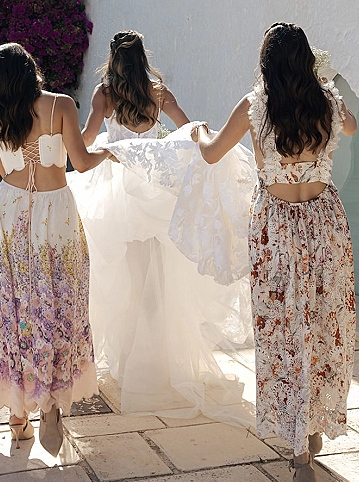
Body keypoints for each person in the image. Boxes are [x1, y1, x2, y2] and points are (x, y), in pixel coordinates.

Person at [192, 23, 357, 482]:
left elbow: (211, 153)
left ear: (266, 64)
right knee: (325, 325)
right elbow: (349, 127)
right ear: (308, 61)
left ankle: (300, 453)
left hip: (276, 229)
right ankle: (313, 423)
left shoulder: (254, 106)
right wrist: (323, 85)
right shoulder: (327, 103)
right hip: (325, 223)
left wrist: (199, 130)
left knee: (284, 332)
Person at [68, 31, 256, 422]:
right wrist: (157, 149)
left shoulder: (104, 95)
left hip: (117, 193)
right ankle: (157, 364)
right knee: (160, 280)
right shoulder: (159, 93)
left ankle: (128, 365)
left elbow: (84, 145)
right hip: (154, 192)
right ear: (143, 59)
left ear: (113, 60)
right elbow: (188, 131)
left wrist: (105, 143)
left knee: (124, 280)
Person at [0, 42, 113, 453]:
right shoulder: (61, 106)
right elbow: (81, 162)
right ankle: (52, 402)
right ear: (31, 69)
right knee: (60, 303)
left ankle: (19, 420)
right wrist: (107, 150)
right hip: (56, 218)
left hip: (6, 217)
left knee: (13, 308)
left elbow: (4, 172)